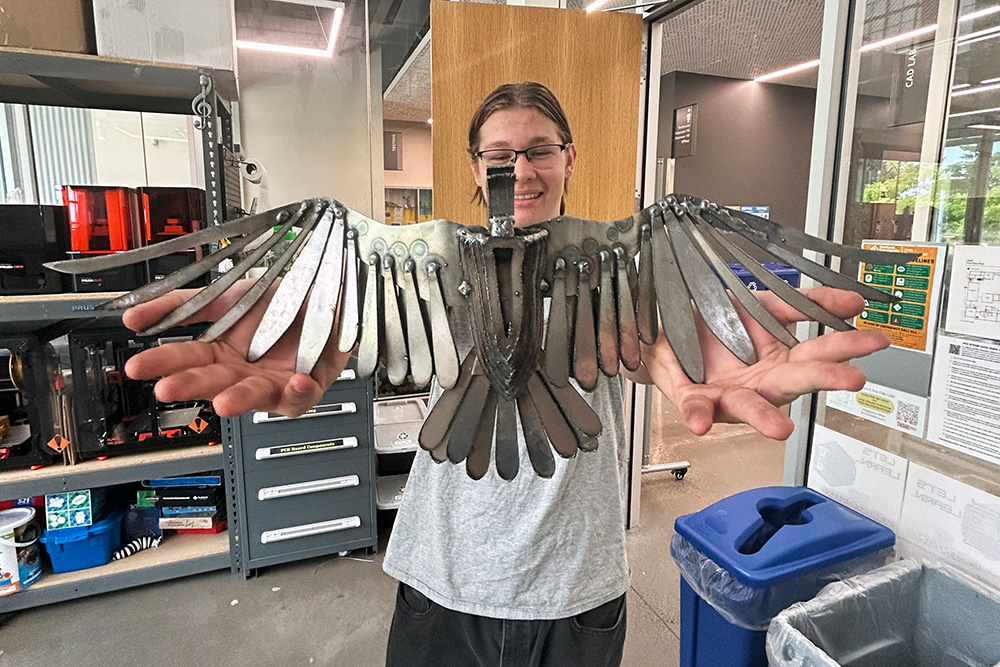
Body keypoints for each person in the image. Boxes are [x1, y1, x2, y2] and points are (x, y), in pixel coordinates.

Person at [121, 82, 889, 667]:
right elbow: (350, 321)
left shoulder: (616, 264)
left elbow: (650, 341)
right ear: (476, 167)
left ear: (568, 159)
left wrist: (691, 362)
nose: (519, 169)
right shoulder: (423, 264)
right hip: (443, 580)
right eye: (500, 156)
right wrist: (311, 330)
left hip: (575, 589)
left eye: (539, 150)